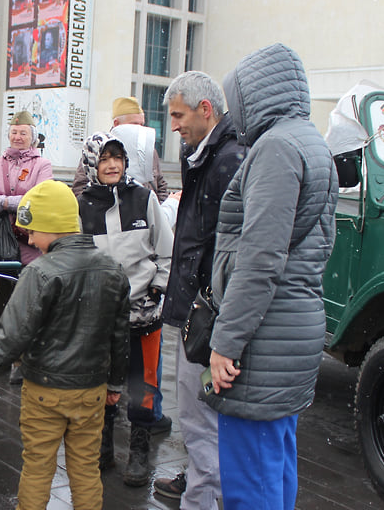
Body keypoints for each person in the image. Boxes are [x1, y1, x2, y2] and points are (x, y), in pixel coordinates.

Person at [0, 180, 131, 510]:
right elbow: (119, 336)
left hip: (45, 389)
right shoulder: (113, 270)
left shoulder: (40, 272)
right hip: (91, 390)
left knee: (38, 468)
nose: (27, 238)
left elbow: (11, 334)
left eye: (31, 229)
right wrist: (114, 382)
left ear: (52, 226)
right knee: (86, 470)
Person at [204, 43, 338, 509]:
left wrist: (226, 341)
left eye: (234, 100)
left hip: (263, 339)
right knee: (275, 467)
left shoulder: (277, 147)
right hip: (291, 329)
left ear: (253, 95)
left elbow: (260, 259)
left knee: (250, 481)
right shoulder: (309, 141)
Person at [151, 71, 246, 507]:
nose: (173, 125)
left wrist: (214, 318)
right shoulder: (206, 155)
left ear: (205, 109)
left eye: (178, 115)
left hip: (205, 317)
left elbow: (230, 250)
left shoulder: (226, 161)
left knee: (200, 422)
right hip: (200, 312)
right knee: (199, 422)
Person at [78, 132, 173, 486]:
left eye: (117, 157)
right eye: (104, 159)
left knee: (144, 384)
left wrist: (158, 287)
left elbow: (166, 249)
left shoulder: (143, 198)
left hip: (144, 313)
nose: (112, 165)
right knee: (103, 383)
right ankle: (102, 446)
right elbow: (76, 259)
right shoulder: (82, 205)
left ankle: (139, 451)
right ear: (92, 164)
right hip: (101, 317)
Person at [0, 111, 53, 384]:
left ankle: (23, 359)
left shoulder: (42, 164)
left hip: (28, 244)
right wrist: (13, 201)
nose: (17, 136)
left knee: (28, 303)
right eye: (14, 131)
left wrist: (1, 201)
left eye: (23, 132)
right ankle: (1, 354)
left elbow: (37, 198)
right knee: (0, 300)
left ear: (32, 137)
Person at [71, 97, 167, 198]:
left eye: (142, 124)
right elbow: (79, 188)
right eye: (134, 124)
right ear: (116, 124)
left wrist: (155, 208)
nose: (139, 129)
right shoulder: (97, 149)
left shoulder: (149, 150)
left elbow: (161, 186)